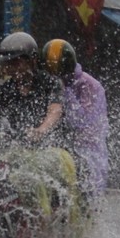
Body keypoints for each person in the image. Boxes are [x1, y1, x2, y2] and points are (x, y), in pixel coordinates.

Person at [37, 39, 109, 199]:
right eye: (49, 71)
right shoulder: (47, 83)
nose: (52, 76)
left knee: (82, 195)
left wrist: (65, 93)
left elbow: (83, 121)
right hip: (58, 146)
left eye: (56, 72)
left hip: (88, 153)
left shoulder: (90, 86)